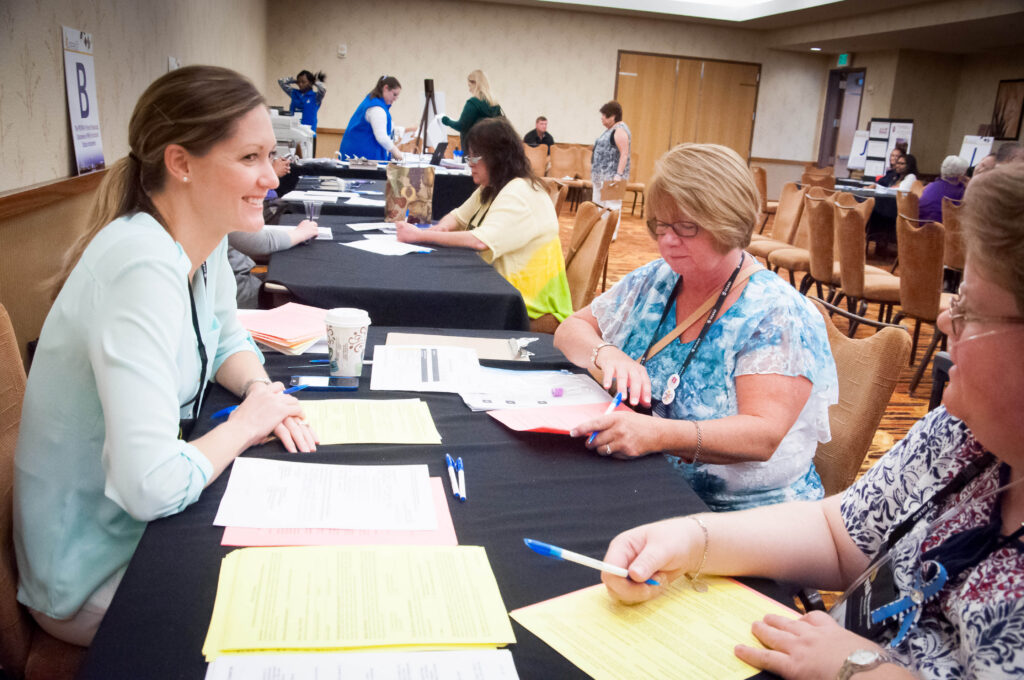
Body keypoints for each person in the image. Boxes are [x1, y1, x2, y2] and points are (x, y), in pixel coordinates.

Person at [599, 162, 1024, 680]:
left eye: (971, 312)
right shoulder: (963, 434)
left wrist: (864, 670)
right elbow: (837, 533)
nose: (943, 320)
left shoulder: (773, 309)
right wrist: (691, 539)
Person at [13, 65, 318, 647]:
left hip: (132, 529)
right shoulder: (142, 265)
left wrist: (259, 391)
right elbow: (149, 485)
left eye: (269, 157)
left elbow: (228, 340)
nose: (271, 181)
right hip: (89, 574)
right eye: (250, 159)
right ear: (181, 163)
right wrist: (248, 427)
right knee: (293, 601)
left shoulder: (198, 243)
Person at [553, 143, 838, 512]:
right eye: (661, 225)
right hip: (647, 489)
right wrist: (606, 353)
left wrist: (658, 435)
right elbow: (570, 330)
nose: (668, 240)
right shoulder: (658, 279)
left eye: (686, 227)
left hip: (740, 519)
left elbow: (761, 436)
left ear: (728, 223)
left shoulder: (776, 312)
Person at [395, 117, 572, 328]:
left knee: (437, 311)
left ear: (498, 157)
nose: (470, 164)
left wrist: (421, 235)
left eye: (475, 157)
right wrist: (440, 228)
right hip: (503, 293)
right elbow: (458, 217)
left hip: (527, 308)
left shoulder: (518, 191)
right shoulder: (493, 187)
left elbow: (480, 241)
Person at [228, 220, 318, 308]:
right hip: (236, 291)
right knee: (306, 297)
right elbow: (263, 242)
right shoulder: (220, 210)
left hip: (240, 278)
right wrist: (301, 233)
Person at [339, 75, 404, 161]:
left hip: (355, 152)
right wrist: (397, 153)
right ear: (385, 88)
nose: (395, 99)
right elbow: (382, 137)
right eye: (394, 94)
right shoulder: (376, 108)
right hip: (361, 156)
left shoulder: (371, 102)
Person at [441, 69, 503, 153]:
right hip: (491, 150)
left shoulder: (473, 103)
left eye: (469, 86)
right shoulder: (495, 104)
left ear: (476, 84)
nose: (469, 89)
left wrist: (446, 120)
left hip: (473, 150)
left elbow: (461, 126)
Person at [591, 101, 631, 205]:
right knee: (599, 209)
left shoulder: (620, 130)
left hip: (612, 178)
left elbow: (624, 154)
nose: (602, 117)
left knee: (611, 209)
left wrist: (618, 175)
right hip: (602, 177)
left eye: (604, 115)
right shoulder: (610, 130)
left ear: (613, 116)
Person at [918, 155, 968, 223]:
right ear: (961, 175)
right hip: (941, 230)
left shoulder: (930, 186)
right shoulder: (959, 193)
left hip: (919, 227)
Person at [277, 69, 326, 134]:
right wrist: (294, 80)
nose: (300, 84)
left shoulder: (316, 97)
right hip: (293, 131)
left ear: (310, 83)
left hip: (309, 133)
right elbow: (281, 81)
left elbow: (323, 89)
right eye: (298, 82)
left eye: (303, 82)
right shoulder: (294, 93)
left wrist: (314, 82)